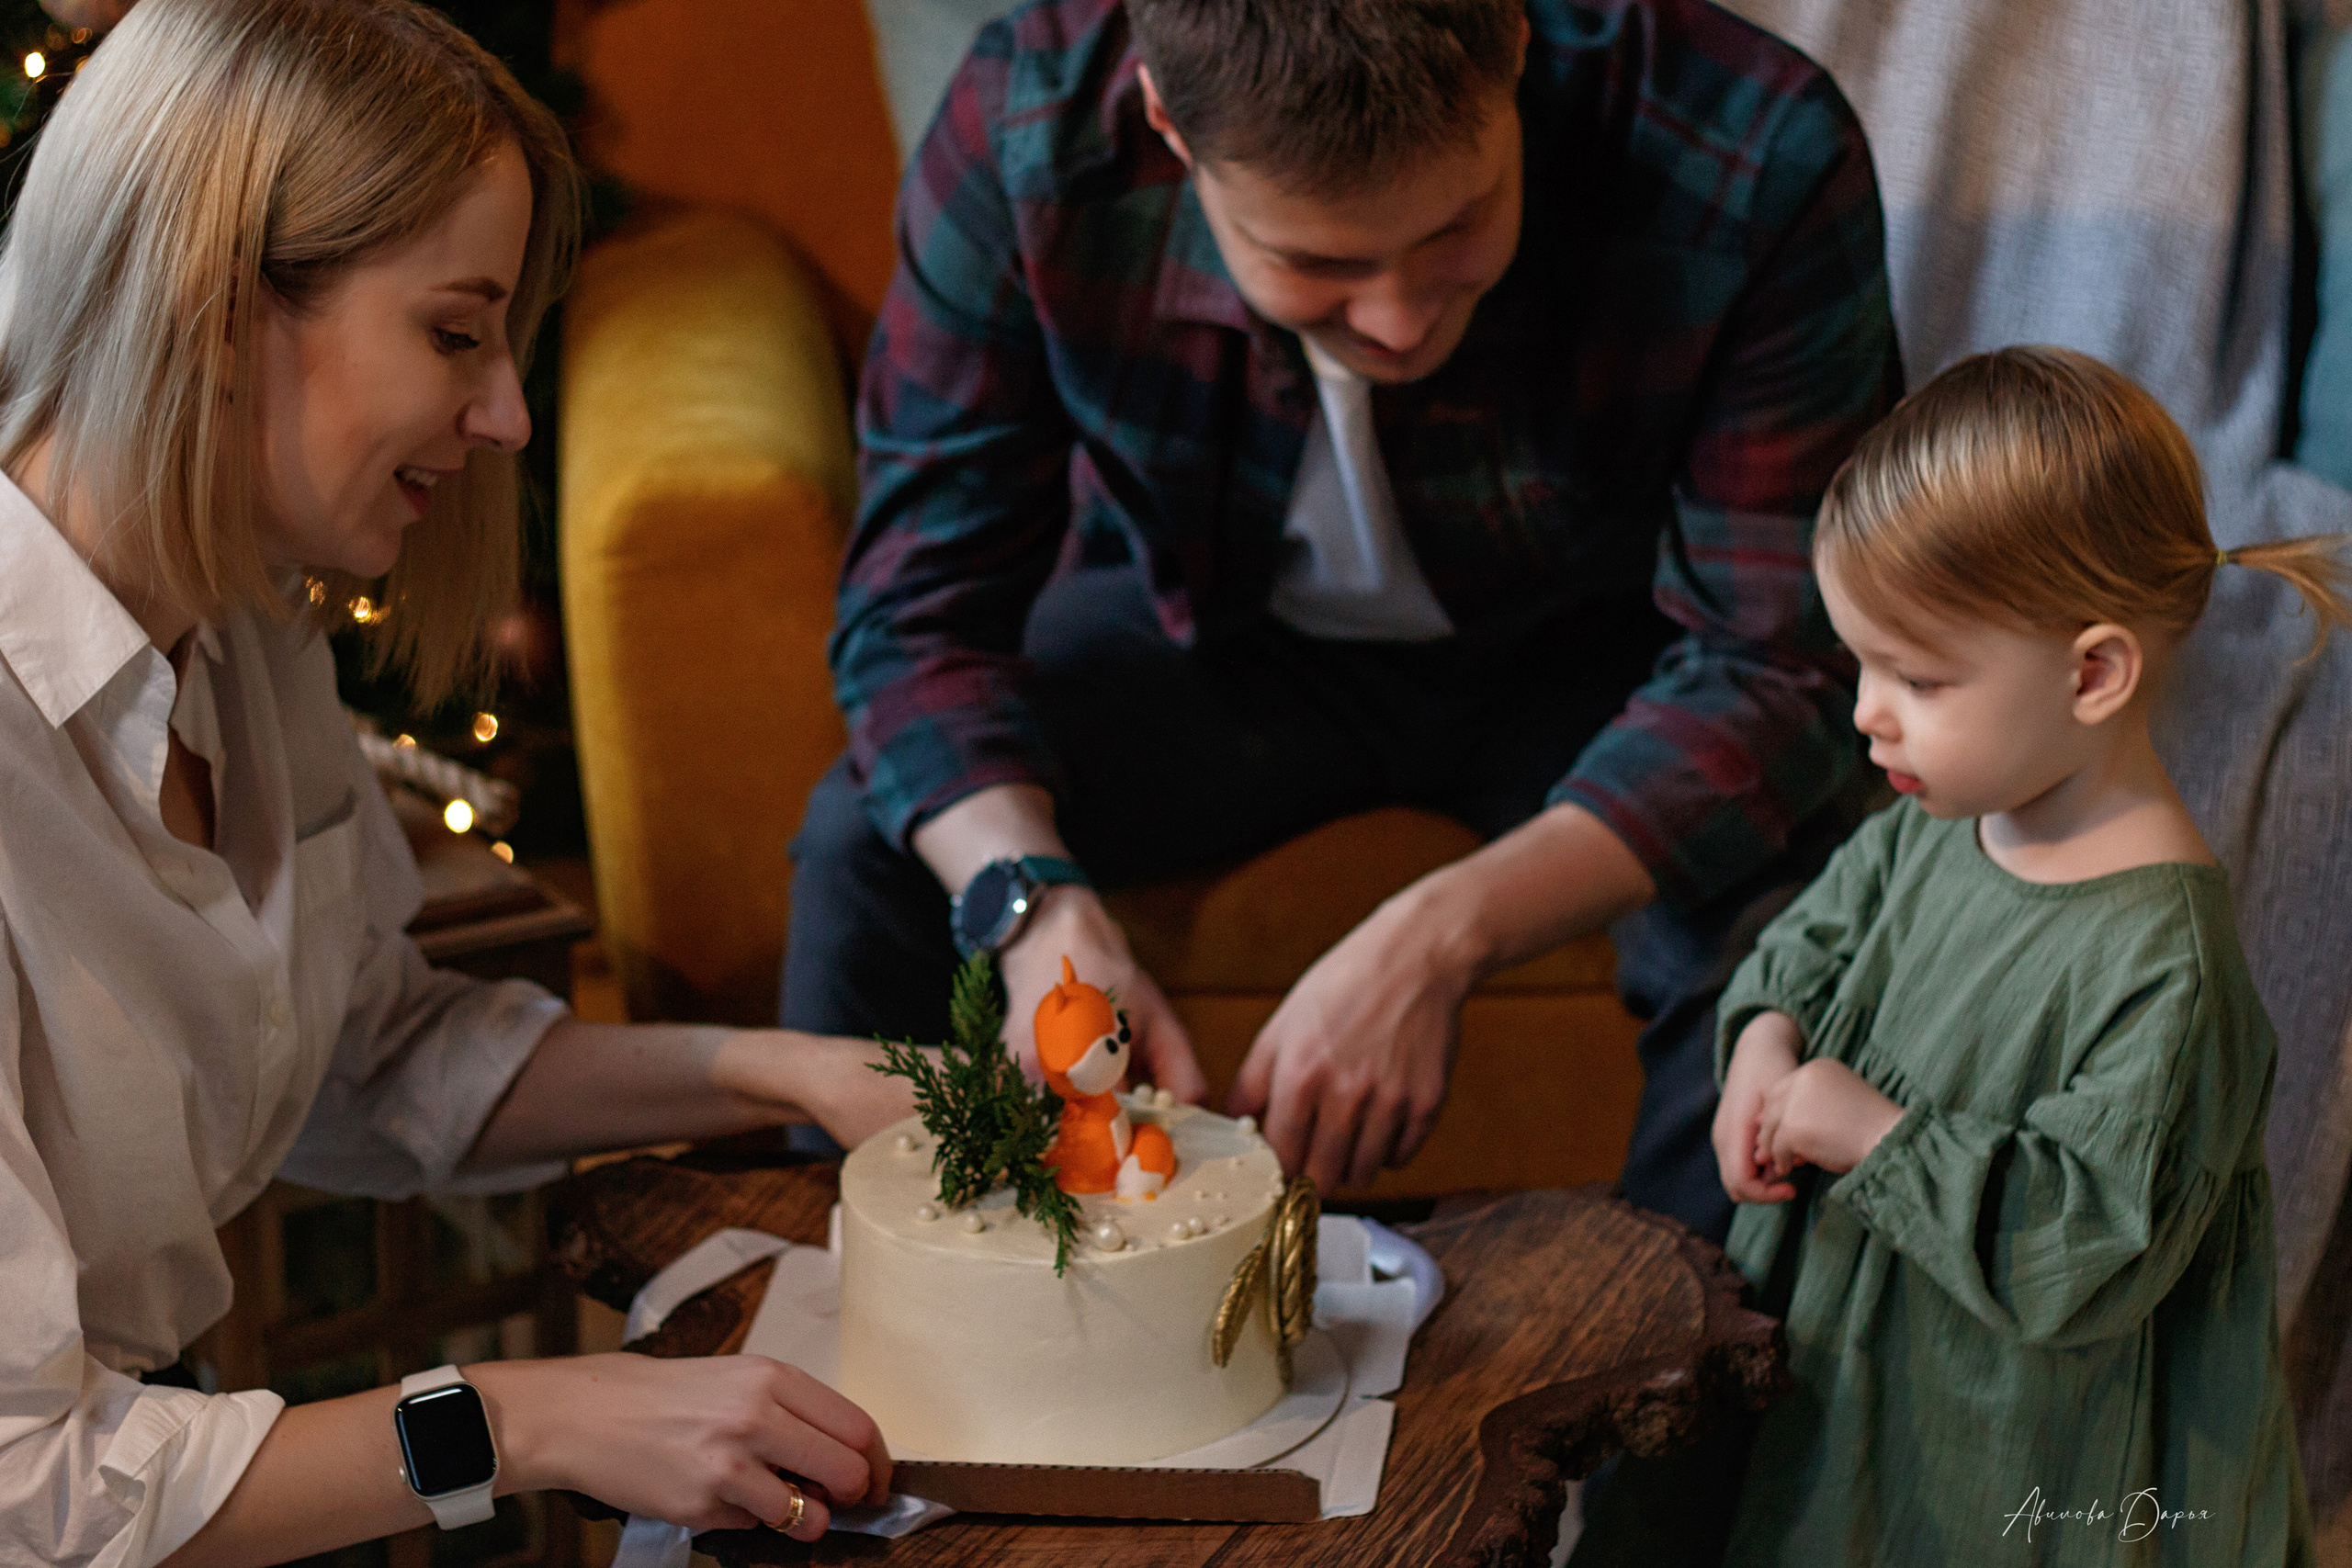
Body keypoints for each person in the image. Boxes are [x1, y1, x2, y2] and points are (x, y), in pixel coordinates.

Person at [0, 4, 915, 1563]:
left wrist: (781, 1071)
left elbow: (374, 1054)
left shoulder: (243, 644)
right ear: (216, 311)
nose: (506, 417)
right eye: (453, 333)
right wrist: (532, 1419)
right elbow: (33, 1485)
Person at [784, 0, 1903, 1232]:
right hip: (1211, 640)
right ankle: (871, 1370)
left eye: (1459, 228)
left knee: (1791, 935)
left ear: (1516, 47)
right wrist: (1038, 911)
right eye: (1319, 265)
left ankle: (1673, 1396)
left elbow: (1778, 663)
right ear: (1166, 118)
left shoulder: (1749, 142)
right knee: (867, 844)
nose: (1399, 321)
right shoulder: (1031, 126)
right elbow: (919, 616)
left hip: (1606, 666)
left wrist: (1440, 936)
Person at [1710, 347, 2336, 1564]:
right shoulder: (1940, 820)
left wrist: (1876, 1137)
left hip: (2004, 1441)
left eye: (1918, 676)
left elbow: (2088, 1249)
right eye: (1861, 664)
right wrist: (1765, 1043)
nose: (1864, 714)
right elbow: (1808, 940)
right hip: (1841, 1355)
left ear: (2093, 672)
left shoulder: (2167, 969)